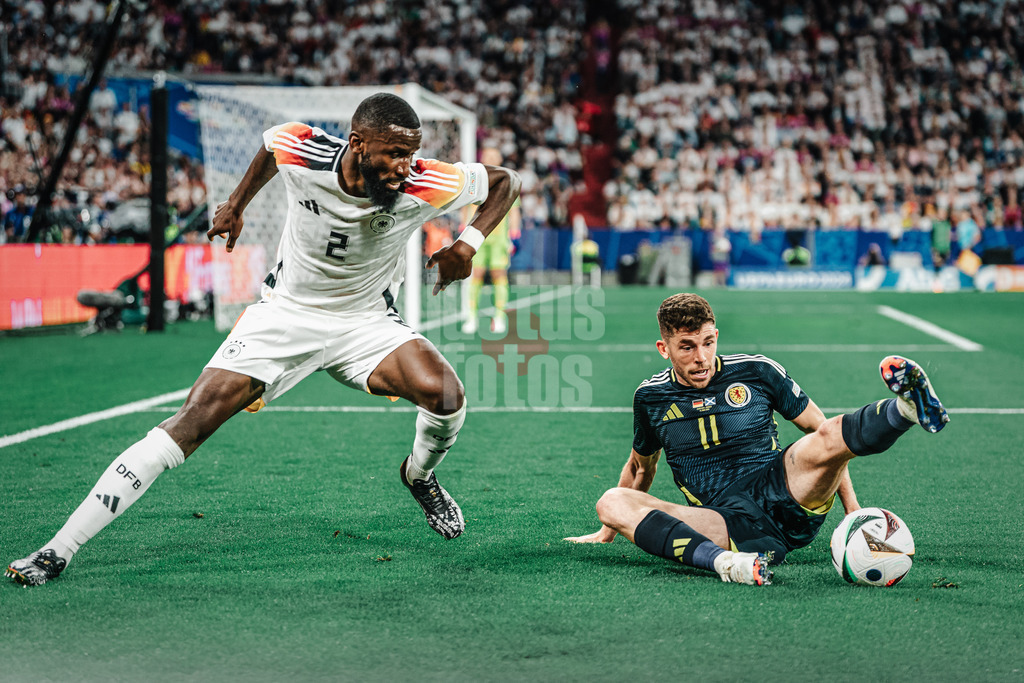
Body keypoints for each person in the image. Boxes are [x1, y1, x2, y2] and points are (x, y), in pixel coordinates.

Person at [6, 93, 521, 586]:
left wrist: (467, 242)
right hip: (283, 318)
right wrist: (235, 204)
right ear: (358, 144)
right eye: (395, 153)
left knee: (448, 396)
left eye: (411, 153)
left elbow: (505, 182)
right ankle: (58, 549)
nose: (406, 166)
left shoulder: (426, 179)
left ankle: (418, 476)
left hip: (365, 323)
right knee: (187, 425)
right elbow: (273, 147)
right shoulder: (306, 149)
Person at [566, 293, 948, 586]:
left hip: (784, 491)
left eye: (708, 342)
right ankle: (728, 564)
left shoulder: (757, 371)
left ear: (716, 336)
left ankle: (906, 410)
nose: (702, 357)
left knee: (827, 433)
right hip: (723, 521)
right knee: (612, 501)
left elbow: (826, 440)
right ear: (664, 349)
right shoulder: (649, 397)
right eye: (687, 346)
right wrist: (607, 532)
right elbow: (639, 467)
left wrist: (853, 513)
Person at [460, 147, 521, 334]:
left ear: (500, 159)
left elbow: (514, 210)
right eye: (488, 156)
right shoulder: (473, 179)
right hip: (476, 235)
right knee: (476, 275)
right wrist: (463, 227)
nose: (491, 159)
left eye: (495, 156)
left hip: (498, 238)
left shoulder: (507, 182)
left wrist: (515, 234)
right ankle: (472, 318)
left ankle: (499, 318)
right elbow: (465, 205)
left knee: (499, 275)